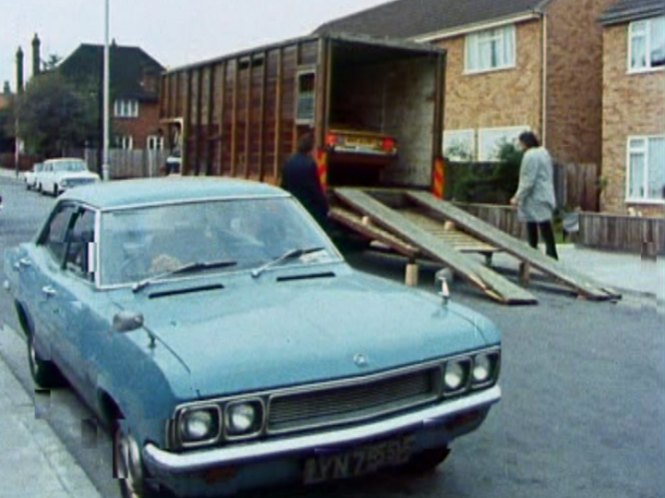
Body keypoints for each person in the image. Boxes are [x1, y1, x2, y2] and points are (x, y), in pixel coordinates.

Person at [510, 131, 558, 260]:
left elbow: (528, 180)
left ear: (525, 143)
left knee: (534, 224)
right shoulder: (544, 153)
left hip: (535, 196)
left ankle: (536, 254)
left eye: (520, 143)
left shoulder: (530, 156)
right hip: (545, 193)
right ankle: (550, 254)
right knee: (544, 224)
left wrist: (517, 196)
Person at [281, 133, 329, 228]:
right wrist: (325, 206)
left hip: (293, 207)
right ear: (310, 149)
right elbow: (315, 190)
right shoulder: (310, 164)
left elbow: (283, 186)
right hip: (307, 209)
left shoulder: (288, 162)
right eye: (315, 148)